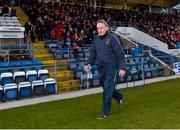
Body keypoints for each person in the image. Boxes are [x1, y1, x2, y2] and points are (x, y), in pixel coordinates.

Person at [84, 20, 126, 119]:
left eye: (101, 27)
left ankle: (104, 112)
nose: (99, 30)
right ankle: (119, 97)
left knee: (107, 88)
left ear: (106, 28)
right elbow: (93, 54)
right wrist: (89, 64)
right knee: (106, 87)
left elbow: (120, 54)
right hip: (101, 68)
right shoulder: (96, 40)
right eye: (98, 28)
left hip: (113, 67)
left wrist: (121, 68)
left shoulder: (112, 38)